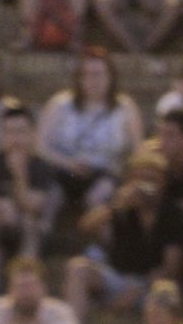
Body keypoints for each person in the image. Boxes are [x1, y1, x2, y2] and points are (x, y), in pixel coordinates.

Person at [63, 150, 183, 318]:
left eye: (152, 179)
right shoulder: (122, 206)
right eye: (140, 179)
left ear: (164, 182)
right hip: (118, 277)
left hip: (152, 287)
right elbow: (85, 227)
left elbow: (170, 268)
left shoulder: (174, 215)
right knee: (77, 269)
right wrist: (114, 207)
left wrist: (137, 291)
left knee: (163, 298)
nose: (145, 185)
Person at [37, 48, 143, 212]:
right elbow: (40, 146)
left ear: (110, 77)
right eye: (87, 75)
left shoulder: (125, 107)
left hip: (107, 172)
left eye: (99, 74)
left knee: (99, 197)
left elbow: (138, 150)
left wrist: (123, 169)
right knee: (50, 195)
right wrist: (68, 164)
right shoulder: (60, 104)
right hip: (64, 168)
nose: (93, 81)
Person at [0, 104, 59, 283]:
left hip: (31, 226)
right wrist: (0, 206)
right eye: (9, 132)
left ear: (32, 133)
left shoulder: (42, 166)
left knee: (29, 223)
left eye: (21, 132)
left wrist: (19, 174)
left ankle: (25, 283)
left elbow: (33, 206)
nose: (15, 138)